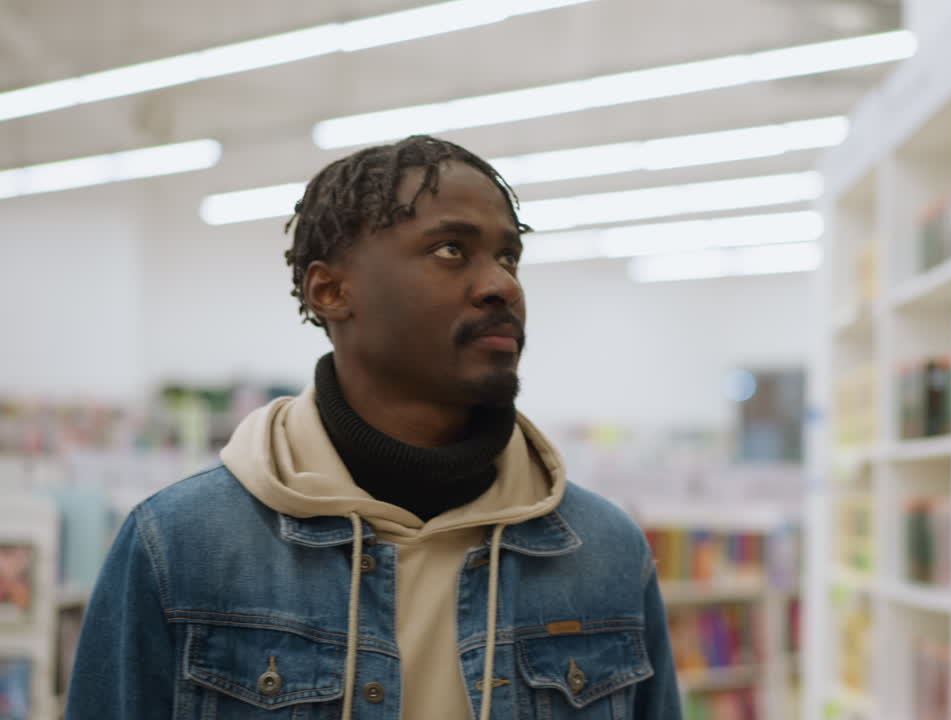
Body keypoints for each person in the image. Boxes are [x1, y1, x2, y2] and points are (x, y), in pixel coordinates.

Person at [66, 135, 682, 719]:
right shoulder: (182, 547)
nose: (503, 285)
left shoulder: (603, 552)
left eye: (508, 256)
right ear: (331, 290)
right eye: (452, 250)